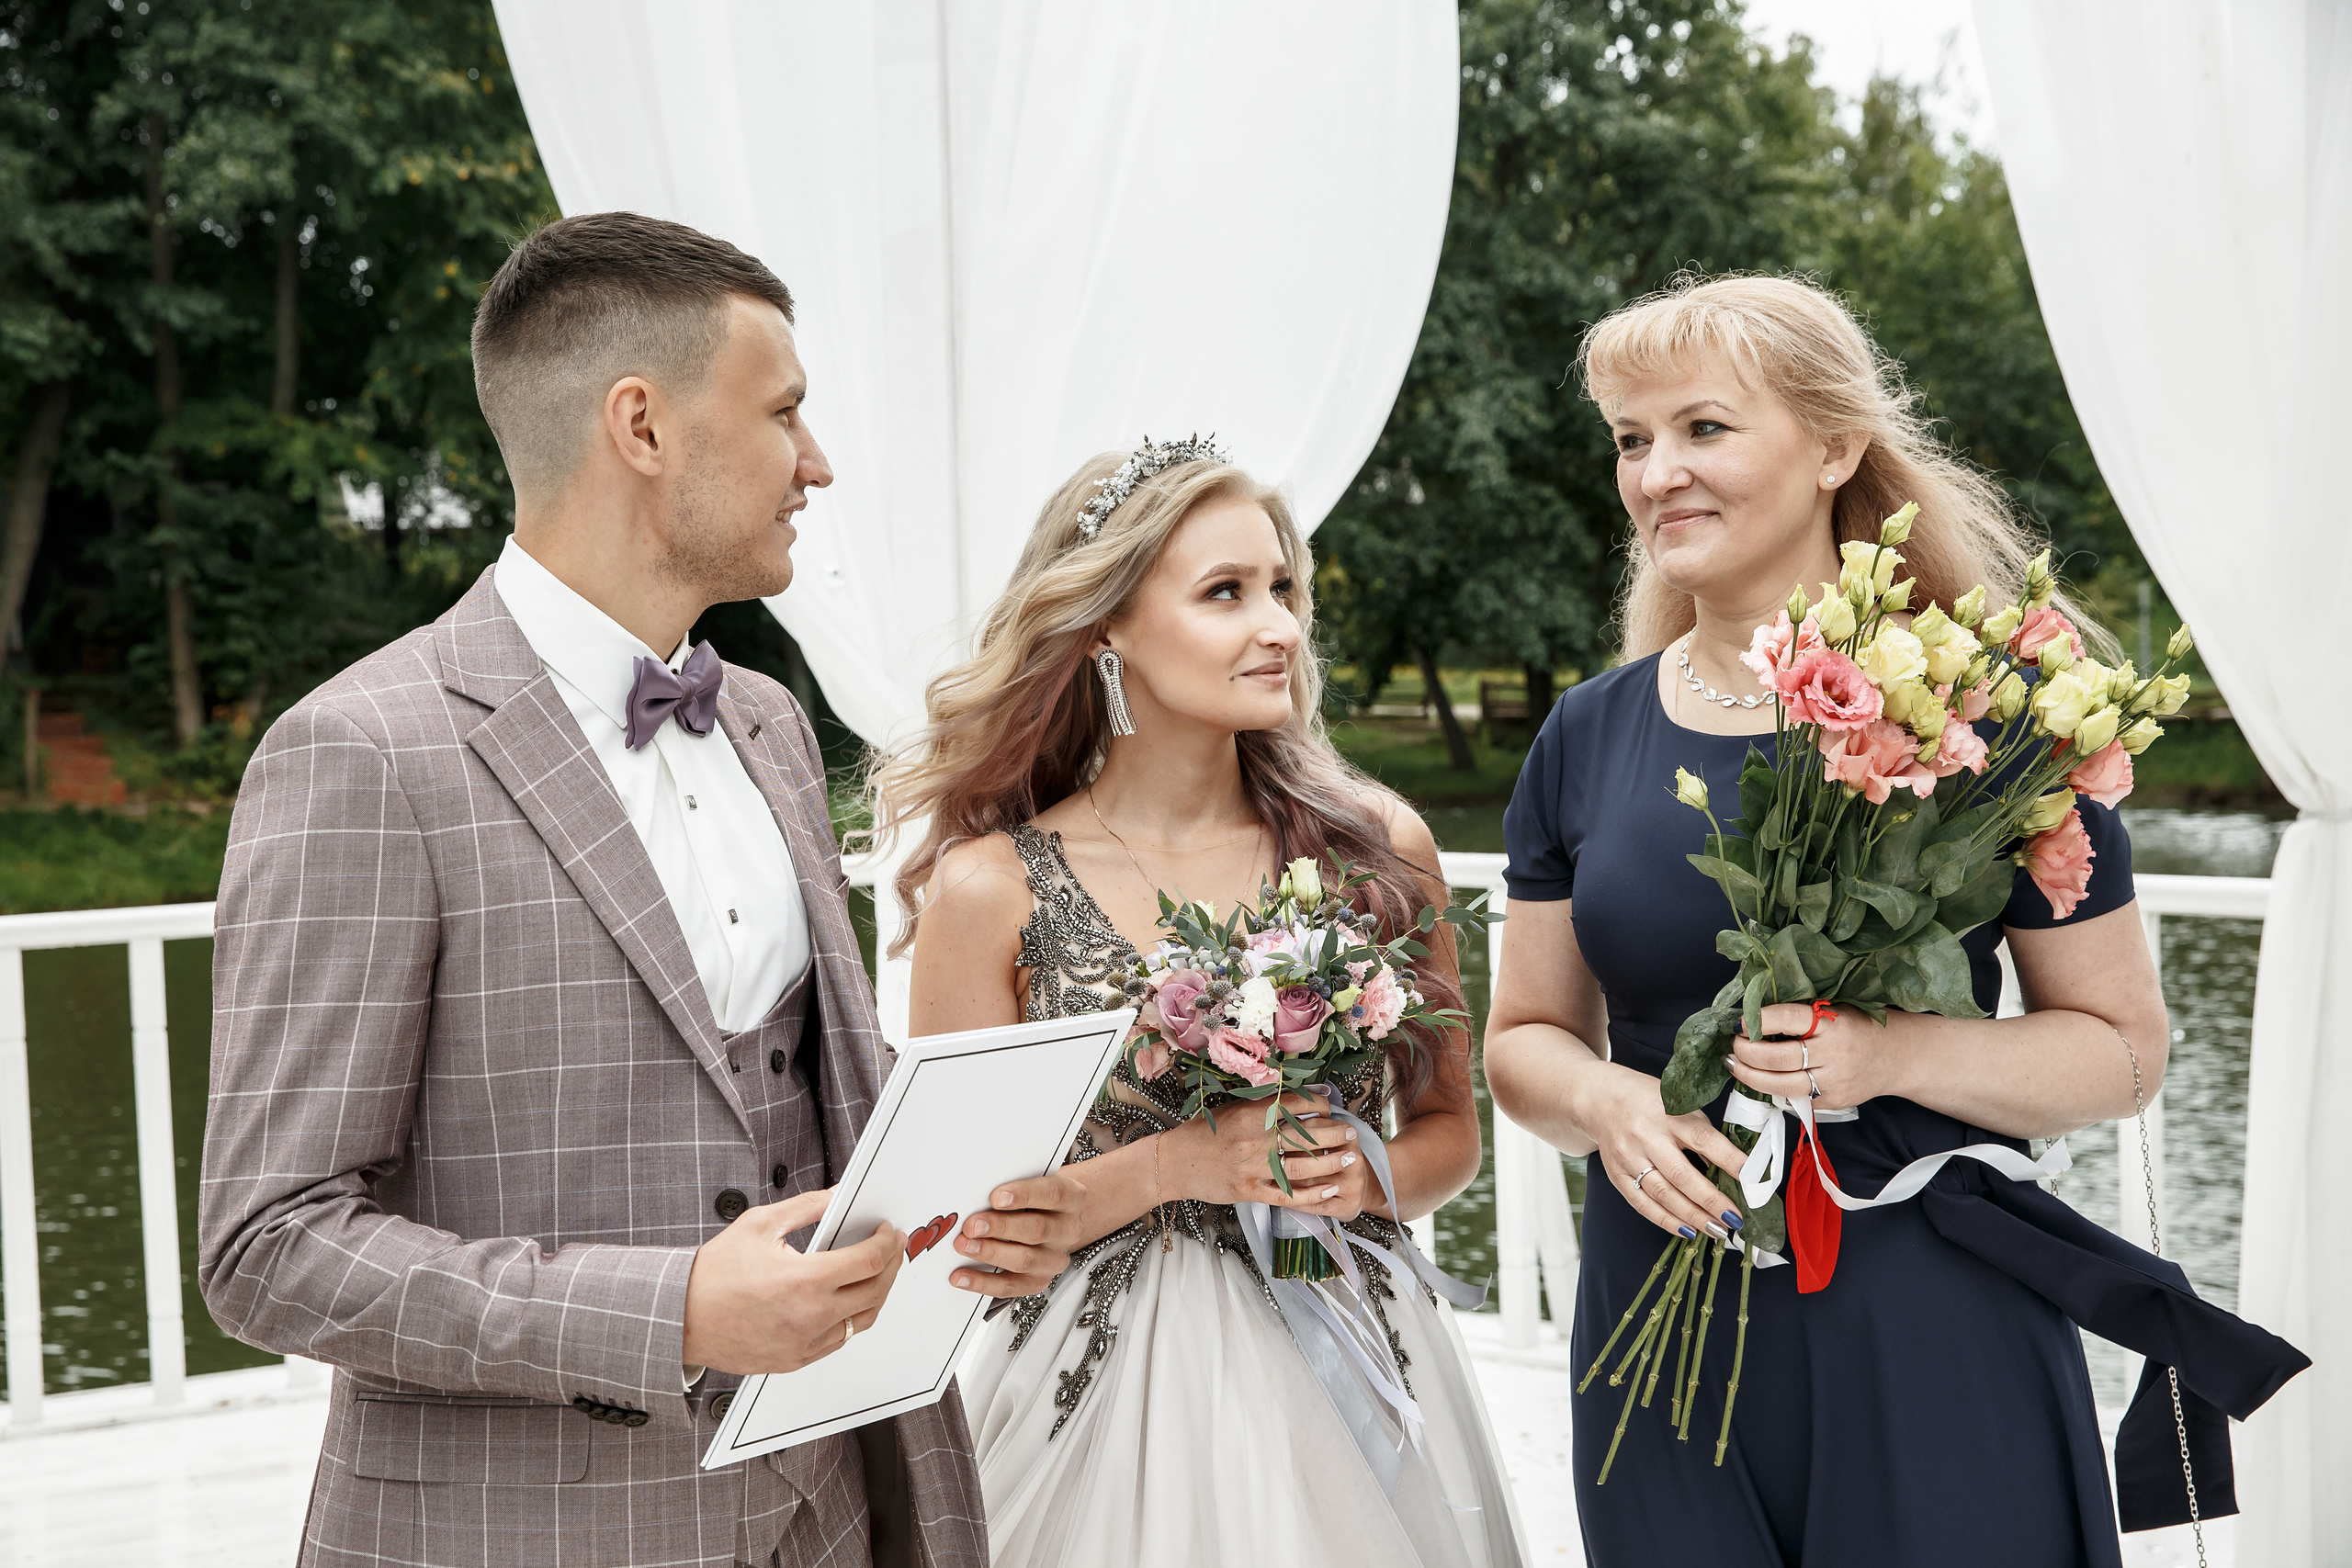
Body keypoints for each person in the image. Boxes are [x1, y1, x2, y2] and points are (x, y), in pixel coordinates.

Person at [198, 211, 1086, 1568]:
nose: (818, 463)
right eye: (786, 412)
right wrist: (668, 1309)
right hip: (526, 1532)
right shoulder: (362, 753)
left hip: (838, 1504)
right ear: (644, 425)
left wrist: (956, 1203)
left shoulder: (772, 725)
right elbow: (269, 1242)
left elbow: (783, 1091)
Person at [1483, 274, 2303, 1566]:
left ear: (1833, 446)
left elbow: (2126, 1048)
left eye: (1703, 427)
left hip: (1927, 1306)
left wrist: (1892, 1057)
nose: (1655, 474)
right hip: (1660, 1321)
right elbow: (1525, 1033)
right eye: (1632, 440)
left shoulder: (2005, 717)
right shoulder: (1587, 732)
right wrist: (1606, 1104)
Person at [868, 444, 1527, 1568]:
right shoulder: (991, 891)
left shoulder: (1379, 850)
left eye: (1281, 590)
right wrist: (1181, 1164)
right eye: (1225, 593)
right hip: (1095, 1400)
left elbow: (1451, 1137)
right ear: (1107, 626)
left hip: (1356, 1349)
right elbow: (957, 1233)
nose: (1276, 625)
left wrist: (1367, 1176)